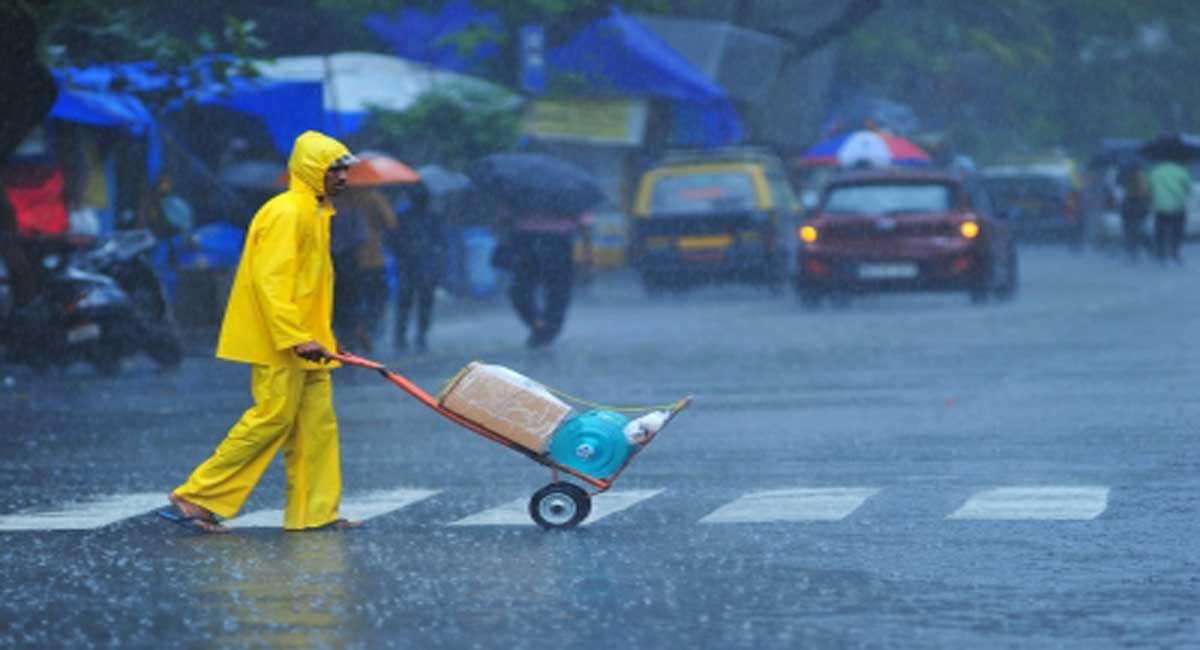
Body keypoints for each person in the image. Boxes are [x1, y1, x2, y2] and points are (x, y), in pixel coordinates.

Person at [158, 130, 362, 534]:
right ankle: (196, 497)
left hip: (306, 341)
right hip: (281, 342)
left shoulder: (316, 213)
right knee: (270, 418)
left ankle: (315, 512)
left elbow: (308, 287)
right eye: (334, 168)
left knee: (316, 428)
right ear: (311, 169)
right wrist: (295, 336)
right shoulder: (287, 213)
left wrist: (323, 334)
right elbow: (271, 282)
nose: (342, 176)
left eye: (344, 168)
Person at [498, 205, 589, 348]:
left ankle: (541, 326)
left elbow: (505, 218)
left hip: (528, 242)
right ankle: (545, 328)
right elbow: (584, 224)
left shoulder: (522, 191)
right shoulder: (567, 191)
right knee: (556, 291)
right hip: (555, 243)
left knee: (525, 290)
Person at [334, 186, 398, 353]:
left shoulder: (331, 202)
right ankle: (366, 332)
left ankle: (347, 339)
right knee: (374, 299)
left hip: (338, 265)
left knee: (344, 306)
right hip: (371, 259)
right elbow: (391, 223)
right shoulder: (371, 197)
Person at [390, 182, 446, 353]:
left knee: (406, 302)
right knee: (423, 303)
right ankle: (418, 336)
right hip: (423, 266)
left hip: (410, 266)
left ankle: (402, 336)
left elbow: (393, 240)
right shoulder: (433, 218)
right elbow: (442, 244)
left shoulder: (403, 217)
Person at [1146, 159, 1192, 265]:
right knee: (1178, 230)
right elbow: (1188, 189)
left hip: (1160, 206)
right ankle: (1175, 252)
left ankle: (1161, 254)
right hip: (1177, 206)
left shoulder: (1155, 171)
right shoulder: (1181, 171)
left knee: (1160, 231)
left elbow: (1149, 189)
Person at [1115, 162, 1150, 262]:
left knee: (1129, 229)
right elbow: (1145, 192)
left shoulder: (1123, 175)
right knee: (1138, 228)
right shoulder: (1142, 175)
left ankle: (1132, 251)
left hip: (1128, 206)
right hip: (1138, 205)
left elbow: (1118, 189)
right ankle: (1140, 249)